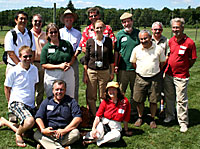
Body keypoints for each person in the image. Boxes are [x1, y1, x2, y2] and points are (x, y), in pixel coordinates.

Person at [0, 45, 38, 147]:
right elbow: (7, 87)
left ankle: (5, 122)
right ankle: (18, 134)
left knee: (38, 122)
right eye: (25, 56)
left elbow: (34, 85)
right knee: (29, 121)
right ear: (20, 57)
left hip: (30, 104)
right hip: (17, 102)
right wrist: (9, 103)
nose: (28, 59)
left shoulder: (34, 69)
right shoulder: (14, 71)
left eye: (30, 56)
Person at [163, 18, 197, 132]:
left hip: (181, 76)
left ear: (183, 27)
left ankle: (183, 122)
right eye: (173, 27)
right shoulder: (171, 40)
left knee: (181, 100)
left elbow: (192, 59)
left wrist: (184, 68)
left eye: (177, 27)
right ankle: (170, 116)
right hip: (169, 74)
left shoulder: (190, 42)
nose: (175, 29)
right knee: (169, 97)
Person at [130, 30, 166, 128]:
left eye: (145, 38)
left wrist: (153, 70)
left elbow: (162, 63)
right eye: (141, 39)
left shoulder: (158, 49)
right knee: (138, 99)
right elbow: (133, 63)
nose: (143, 40)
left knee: (153, 100)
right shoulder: (136, 49)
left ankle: (152, 118)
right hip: (140, 78)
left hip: (155, 78)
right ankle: (140, 117)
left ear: (150, 38)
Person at [4, 10, 36, 122]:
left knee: (26, 87)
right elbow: (10, 52)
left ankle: (26, 107)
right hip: (14, 65)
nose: (22, 21)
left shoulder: (30, 33)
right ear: (16, 20)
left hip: (27, 65)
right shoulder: (11, 34)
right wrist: (21, 65)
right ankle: (11, 111)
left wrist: (29, 65)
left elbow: (33, 51)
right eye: (20, 18)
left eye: (25, 19)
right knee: (11, 88)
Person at [34, 80, 82, 148]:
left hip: (65, 133)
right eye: (57, 90)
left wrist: (64, 131)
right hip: (50, 132)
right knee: (37, 134)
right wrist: (44, 130)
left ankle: (48, 145)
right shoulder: (47, 101)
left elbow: (78, 118)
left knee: (76, 133)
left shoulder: (71, 101)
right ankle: (61, 147)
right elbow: (38, 117)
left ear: (65, 90)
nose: (59, 92)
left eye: (61, 90)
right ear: (53, 90)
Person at [83, 82, 131, 146]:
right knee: (97, 134)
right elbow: (98, 116)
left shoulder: (124, 102)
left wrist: (126, 130)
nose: (111, 92)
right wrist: (94, 128)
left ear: (117, 91)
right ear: (107, 92)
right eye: (109, 90)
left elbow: (126, 117)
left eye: (114, 89)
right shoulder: (105, 101)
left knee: (117, 136)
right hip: (104, 123)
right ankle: (89, 136)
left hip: (115, 125)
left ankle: (95, 141)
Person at [83, 20, 114, 117]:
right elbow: (86, 59)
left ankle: (103, 114)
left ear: (104, 29)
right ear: (94, 29)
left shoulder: (108, 41)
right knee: (91, 95)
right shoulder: (90, 41)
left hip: (104, 71)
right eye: (97, 28)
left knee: (103, 95)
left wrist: (112, 72)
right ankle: (94, 114)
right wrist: (85, 75)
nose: (99, 30)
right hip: (91, 71)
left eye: (101, 27)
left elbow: (111, 58)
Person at [114, 12, 140, 116]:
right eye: (124, 22)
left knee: (135, 91)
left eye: (128, 21)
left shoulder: (138, 33)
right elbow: (116, 51)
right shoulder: (119, 35)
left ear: (132, 21)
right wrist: (115, 65)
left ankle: (133, 110)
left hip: (136, 68)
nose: (126, 24)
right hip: (122, 68)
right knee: (120, 90)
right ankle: (120, 110)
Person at [40, 23, 75, 98]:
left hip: (67, 72)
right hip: (52, 74)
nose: (53, 34)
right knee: (52, 95)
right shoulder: (46, 48)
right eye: (51, 32)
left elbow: (73, 56)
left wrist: (69, 64)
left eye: (55, 32)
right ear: (47, 34)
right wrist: (59, 66)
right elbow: (44, 64)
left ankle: (68, 109)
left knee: (69, 94)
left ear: (58, 33)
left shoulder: (66, 44)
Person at [59, 9, 82, 102]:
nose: (68, 19)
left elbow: (79, 47)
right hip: (61, 60)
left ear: (73, 19)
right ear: (64, 19)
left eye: (70, 17)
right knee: (61, 82)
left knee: (74, 83)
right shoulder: (59, 32)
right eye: (66, 17)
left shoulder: (77, 33)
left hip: (73, 59)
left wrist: (73, 59)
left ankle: (74, 104)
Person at [151, 21, 169, 115]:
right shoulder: (148, 40)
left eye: (159, 29)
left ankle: (162, 109)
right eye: (155, 29)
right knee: (152, 90)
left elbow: (167, 55)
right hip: (151, 69)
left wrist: (161, 66)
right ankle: (152, 109)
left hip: (162, 69)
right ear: (152, 30)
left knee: (163, 89)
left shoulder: (166, 41)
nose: (157, 31)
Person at [31, 14, 47, 109]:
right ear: (32, 22)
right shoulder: (28, 34)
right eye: (35, 21)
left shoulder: (45, 35)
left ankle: (38, 107)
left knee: (40, 88)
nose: (37, 23)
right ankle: (30, 106)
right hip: (31, 63)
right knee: (31, 87)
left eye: (40, 21)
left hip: (42, 63)